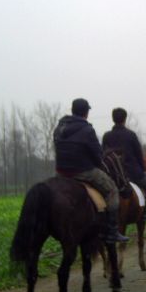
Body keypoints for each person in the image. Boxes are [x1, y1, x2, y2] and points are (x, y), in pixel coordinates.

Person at [53, 98, 129, 243]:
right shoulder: (87, 129)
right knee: (112, 189)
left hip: (60, 172)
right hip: (83, 171)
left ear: (73, 110)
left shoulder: (59, 128)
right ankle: (111, 230)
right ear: (86, 113)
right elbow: (98, 156)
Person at [102, 108, 146, 221]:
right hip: (132, 173)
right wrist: (142, 170)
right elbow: (138, 154)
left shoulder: (106, 136)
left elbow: (103, 155)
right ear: (125, 119)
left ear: (113, 119)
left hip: (113, 175)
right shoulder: (131, 135)